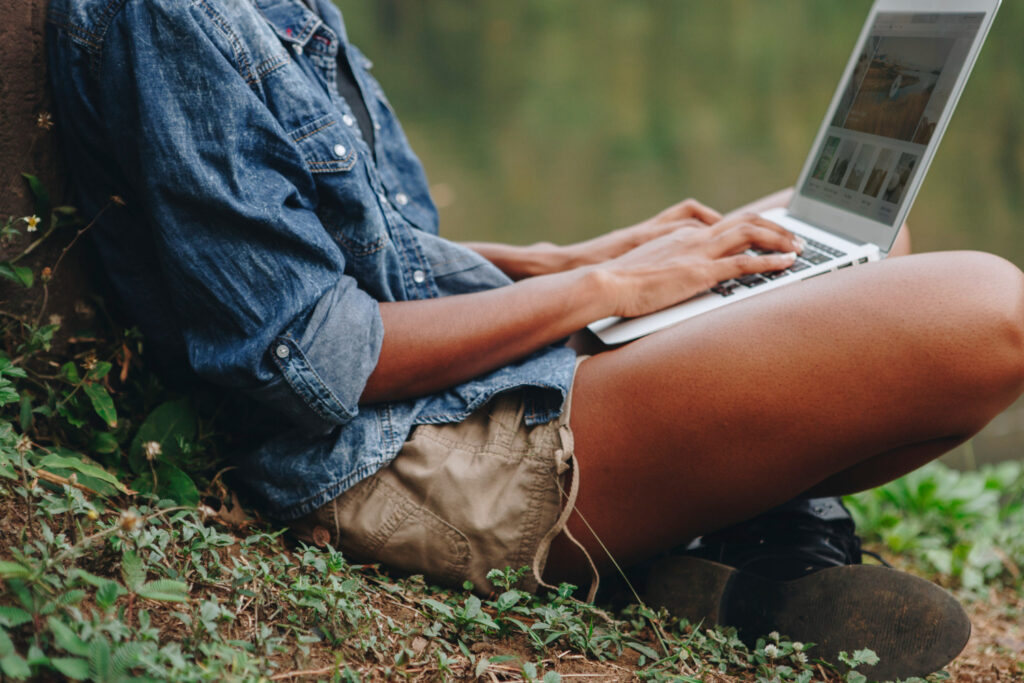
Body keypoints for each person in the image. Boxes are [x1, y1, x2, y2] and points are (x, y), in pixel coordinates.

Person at [46, 0, 1024, 678]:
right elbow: (312, 354)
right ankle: (757, 538)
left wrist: (565, 256)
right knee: (986, 309)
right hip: (401, 450)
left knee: (842, 236)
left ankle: (729, 538)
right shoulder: (174, 19)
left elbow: (360, 255)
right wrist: (607, 288)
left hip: (456, 377)